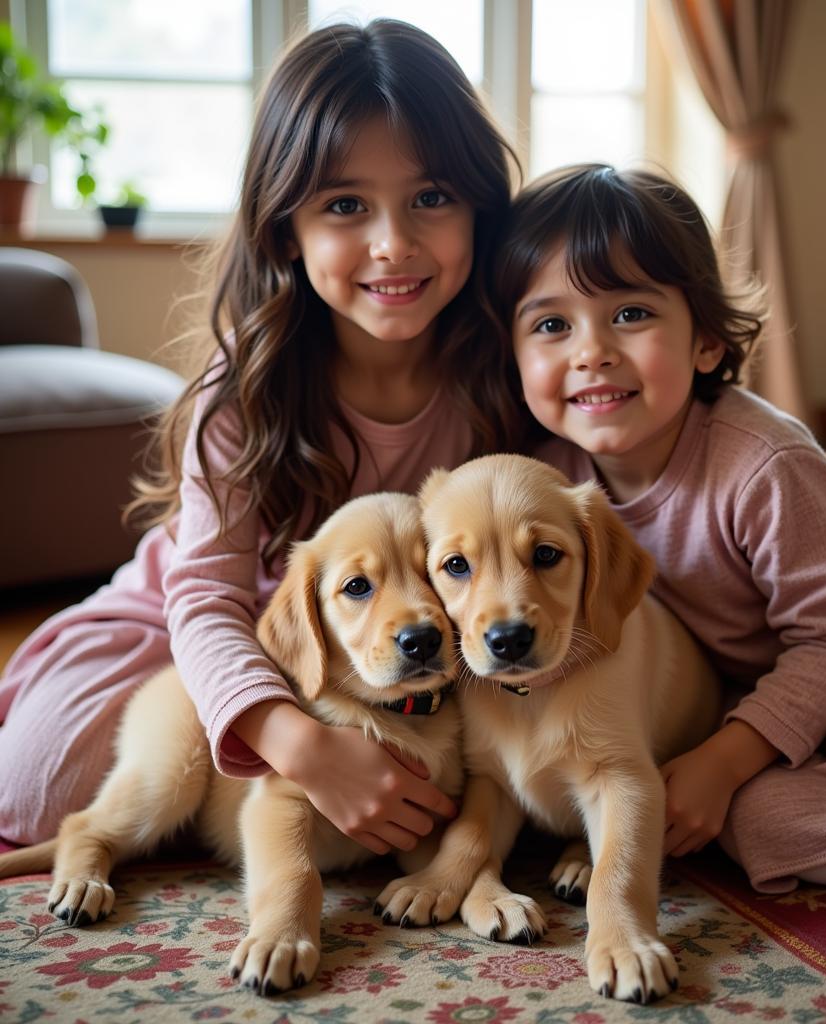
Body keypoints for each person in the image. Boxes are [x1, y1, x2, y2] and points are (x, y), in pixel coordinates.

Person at [0, 20, 520, 852]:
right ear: (285, 229)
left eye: (431, 197)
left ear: (479, 208)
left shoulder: (502, 372)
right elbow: (203, 598)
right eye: (347, 206)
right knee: (38, 794)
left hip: (392, 658)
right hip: (186, 622)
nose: (394, 243)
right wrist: (302, 749)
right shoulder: (245, 389)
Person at [488, 163, 826, 893]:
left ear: (706, 342)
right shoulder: (542, 482)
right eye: (552, 325)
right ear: (514, 355)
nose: (592, 351)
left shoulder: (765, 463)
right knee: (757, 826)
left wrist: (724, 760)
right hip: (753, 694)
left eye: (631, 314)